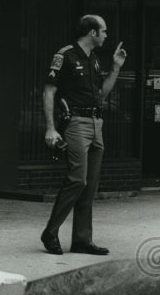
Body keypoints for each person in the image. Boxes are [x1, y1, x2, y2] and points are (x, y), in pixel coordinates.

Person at [40, 14, 127, 255]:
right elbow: (49, 92)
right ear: (93, 33)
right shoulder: (65, 55)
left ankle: (81, 239)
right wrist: (50, 127)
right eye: (104, 31)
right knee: (77, 179)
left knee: (90, 186)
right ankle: (51, 231)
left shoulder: (95, 60)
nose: (106, 35)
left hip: (96, 123)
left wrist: (116, 69)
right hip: (76, 123)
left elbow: (101, 95)